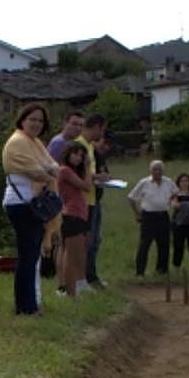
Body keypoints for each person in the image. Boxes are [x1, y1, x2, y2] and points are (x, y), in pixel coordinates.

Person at [2, 103, 60, 315]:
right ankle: (25, 307)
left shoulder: (35, 143)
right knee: (27, 257)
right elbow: (39, 171)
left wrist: (48, 169)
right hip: (22, 204)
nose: (36, 124)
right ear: (22, 120)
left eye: (40, 120)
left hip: (33, 204)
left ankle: (29, 304)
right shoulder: (18, 142)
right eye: (32, 119)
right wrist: (48, 170)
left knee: (31, 256)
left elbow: (53, 167)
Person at [47, 110, 85, 295]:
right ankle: (63, 284)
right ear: (65, 123)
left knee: (67, 246)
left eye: (80, 125)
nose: (77, 127)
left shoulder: (73, 144)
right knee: (65, 246)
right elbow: (53, 173)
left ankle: (69, 283)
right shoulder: (59, 143)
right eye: (74, 123)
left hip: (68, 203)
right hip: (62, 203)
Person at [76, 114, 111, 288]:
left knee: (94, 241)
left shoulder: (90, 146)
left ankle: (91, 276)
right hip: (83, 201)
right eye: (102, 129)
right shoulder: (80, 145)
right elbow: (77, 173)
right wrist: (99, 177)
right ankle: (83, 278)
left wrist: (99, 178)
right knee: (86, 242)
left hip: (93, 199)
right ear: (96, 127)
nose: (102, 133)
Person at [127, 160, 179, 278]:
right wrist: (137, 214)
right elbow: (131, 198)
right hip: (148, 216)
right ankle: (140, 272)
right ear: (151, 171)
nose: (158, 171)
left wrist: (171, 200)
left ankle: (162, 271)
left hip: (163, 216)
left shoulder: (168, 182)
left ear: (163, 170)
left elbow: (176, 193)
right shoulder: (144, 182)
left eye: (160, 169)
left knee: (164, 244)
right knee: (144, 244)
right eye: (155, 169)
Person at [56, 141, 93, 297]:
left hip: (78, 215)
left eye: (81, 156)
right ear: (68, 154)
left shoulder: (71, 171)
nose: (78, 158)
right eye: (76, 154)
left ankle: (73, 288)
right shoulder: (65, 170)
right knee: (71, 256)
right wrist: (88, 167)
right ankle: (69, 292)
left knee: (76, 254)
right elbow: (86, 186)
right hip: (72, 215)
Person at [169, 172, 189, 271]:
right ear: (178, 182)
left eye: (186, 181)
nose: (184, 183)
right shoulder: (175, 193)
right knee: (178, 245)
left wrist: (182, 204)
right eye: (182, 181)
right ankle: (176, 267)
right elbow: (174, 205)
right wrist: (188, 204)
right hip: (178, 224)